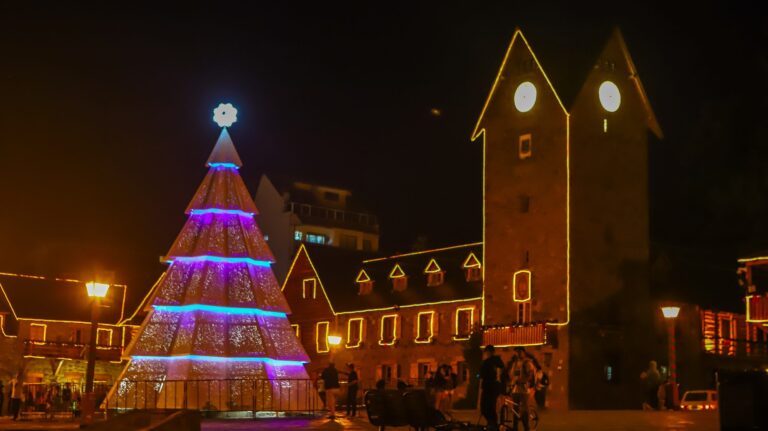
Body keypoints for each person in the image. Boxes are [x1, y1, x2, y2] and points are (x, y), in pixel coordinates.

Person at [505, 347, 537, 431]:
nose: (518, 353)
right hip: (515, 389)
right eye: (516, 351)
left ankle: (527, 428)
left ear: (523, 352)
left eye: (520, 351)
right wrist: (510, 384)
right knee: (515, 410)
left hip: (524, 389)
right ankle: (515, 427)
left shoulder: (527, 362)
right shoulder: (515, 363)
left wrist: (525, 381)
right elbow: (512, 375)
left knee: (524, 410)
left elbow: (530, 374)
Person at [478, 345, 504, 430]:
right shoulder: (488, 362)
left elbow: (481, 374)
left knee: (489, 406)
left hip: (491, 386)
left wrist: (478, 376)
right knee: (486, 406)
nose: (486, 353)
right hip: (489, 386)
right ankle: (491, 422)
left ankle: (493, 423)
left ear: (490, 352)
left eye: (487, 351)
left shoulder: (492, 361)